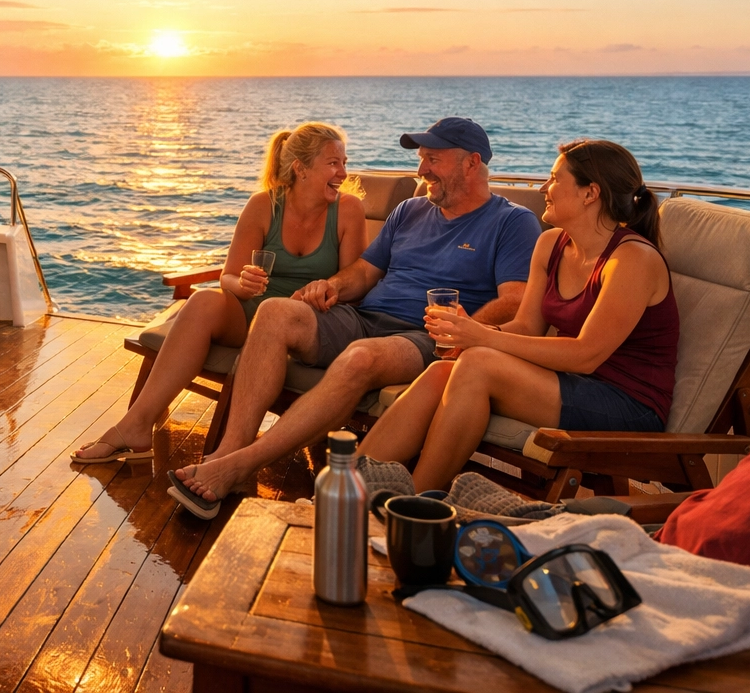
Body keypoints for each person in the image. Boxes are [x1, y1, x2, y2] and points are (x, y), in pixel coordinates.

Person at [170, 116, 541, 518]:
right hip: (363, 317)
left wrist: (466, 329)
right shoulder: (409, 211)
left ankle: (242, 464)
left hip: (423, 336)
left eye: (433, 159)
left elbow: (516, 298)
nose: (421, 171)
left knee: (361, 357)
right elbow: (364, 272)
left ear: (471, 163)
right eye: (421, 159)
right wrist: (333, 286)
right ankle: (230, 453)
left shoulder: (512, 221)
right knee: (276, 312)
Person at [357, 139, 678, 493]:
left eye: (555, 179)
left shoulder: (632, 259)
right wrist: (470, 331)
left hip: (626, 403)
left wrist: (483, 338)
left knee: (478, 363)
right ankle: (347, 487)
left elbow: (586, 355)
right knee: (441, 370)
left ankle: (414, 503)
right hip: (570, 383)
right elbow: (527, 327)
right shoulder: (552, 244)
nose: (544, 187)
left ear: (590, 194)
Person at [71, 123, 366, 464]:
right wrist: (243, 284)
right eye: (333, 163)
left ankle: (225, 453)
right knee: (203, 300)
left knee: (241, 307)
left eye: (344, 162)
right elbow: (227, 276)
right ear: (301, 168)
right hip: (251, 313)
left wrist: (323, 292)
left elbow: (352, 285)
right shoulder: (263, 205)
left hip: (307, 324)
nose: (343, 172)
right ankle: (136, 427)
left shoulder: (348, 210)